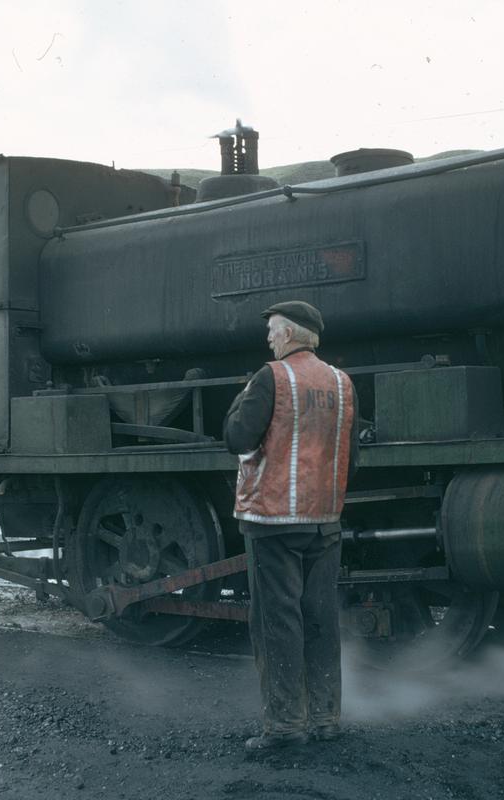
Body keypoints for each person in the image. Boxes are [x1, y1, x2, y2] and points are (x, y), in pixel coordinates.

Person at [223, 300, 358, 751]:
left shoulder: (271, 377)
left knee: (277, 623)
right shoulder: (342, 383)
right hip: (325, 522)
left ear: (292, 334)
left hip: (274, 521)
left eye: (273, 331)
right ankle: (326, 719)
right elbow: (350, 459)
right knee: (321, 620)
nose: (269, 338)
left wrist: (239, 402)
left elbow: (238, 438)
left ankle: (284, 727)